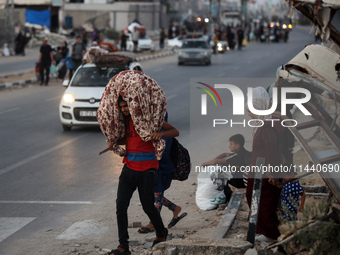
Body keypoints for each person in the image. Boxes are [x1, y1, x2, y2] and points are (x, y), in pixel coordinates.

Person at [102, 91, 178, 255]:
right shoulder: (125, 121)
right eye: (121, 107)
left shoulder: (149, 120)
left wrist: (160, 134)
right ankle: (123, 246)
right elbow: (129, 139)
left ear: (133, 105)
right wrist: (114, 141)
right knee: (120, 206)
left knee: (148, 207)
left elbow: (174, 131)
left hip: (147, 171)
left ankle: (161, 232)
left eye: (126, 105)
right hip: (128, 169)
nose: (124, 109)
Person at [138, 113, 187, 234]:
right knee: (155, 195)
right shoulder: (156, 132)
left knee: (157, 195)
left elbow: (161, 155)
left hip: (162, 170)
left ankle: (152, 223)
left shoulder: (165, 134)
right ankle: (175, 208)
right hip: (155, 169)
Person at [246, 97, 283, 244]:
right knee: (255, 198)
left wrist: (272, 173)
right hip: (258, 168)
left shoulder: (267, 127)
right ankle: (266, 232)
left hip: (265, 171)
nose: (248, 114)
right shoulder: (262, 125)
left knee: (265, 202)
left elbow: (272, 151)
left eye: (249, 110)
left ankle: (271, 235)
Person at [201, 134, 250, 203]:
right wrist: (213, 161)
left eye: (231, 144)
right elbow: (224, 154)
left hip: (241, 182)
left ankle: (228, 196)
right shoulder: (243, 152)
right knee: (224, 169)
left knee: (220, 175)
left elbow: (216, 161)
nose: (229, 146)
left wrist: (204, 164)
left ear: (237, 146)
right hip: (245, 179)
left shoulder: (237, 156)